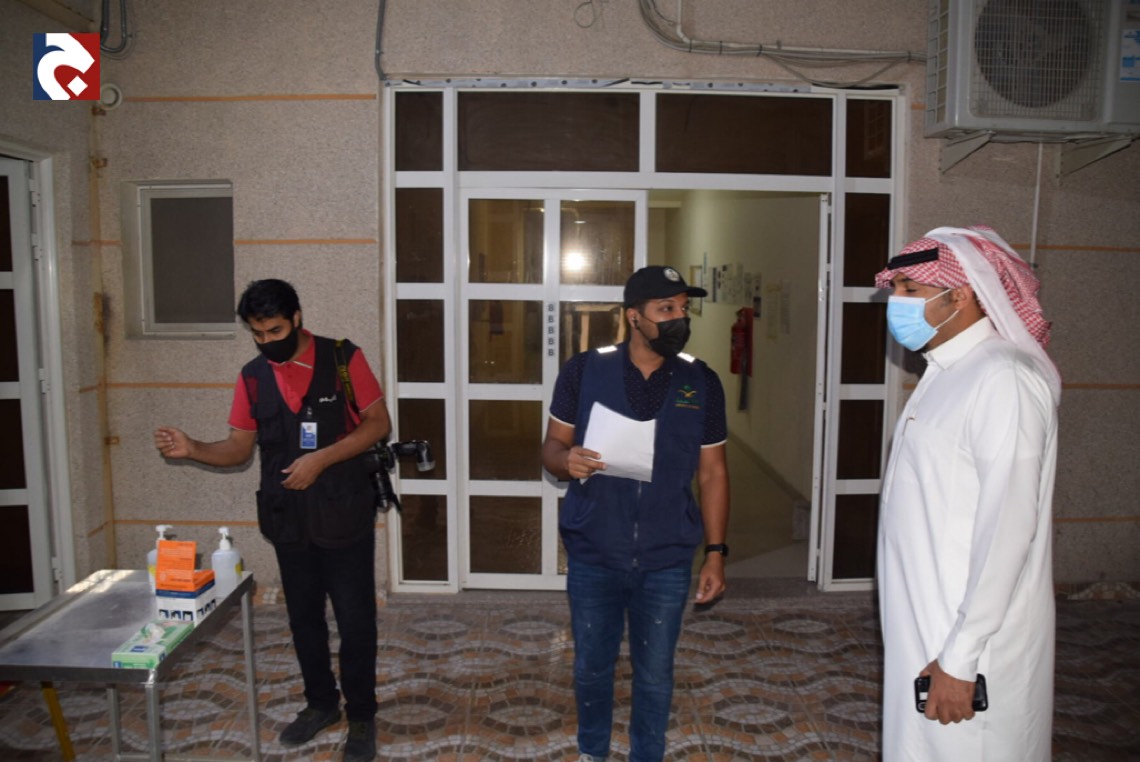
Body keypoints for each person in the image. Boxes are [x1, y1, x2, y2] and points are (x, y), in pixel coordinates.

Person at [154, 279, 390, 762]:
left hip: (343, 511)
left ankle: (362, 714)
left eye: (275, 331)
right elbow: (238, 448)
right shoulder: (253, 377)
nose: (267, 342)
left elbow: (378, 423)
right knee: (303, 618)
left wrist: (321, 459)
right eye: (258, 334)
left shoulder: (343, 358)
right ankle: (321, 704)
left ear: (297, 318)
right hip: (288, 519)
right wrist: (193, 448)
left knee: (355, 619)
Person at [874, 226, 1062, 761]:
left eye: (911, 289)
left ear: (960, 295)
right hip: (925, 619)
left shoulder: (1003, 379)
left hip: (968, 641)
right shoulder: (947, 369)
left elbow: (1008, 530)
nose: (897, 301)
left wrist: (961, 658)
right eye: (896, 289)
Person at [541, 265, 730, 762]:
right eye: (665, 309)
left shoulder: (701, 380)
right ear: (633, 317)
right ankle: (592, 752)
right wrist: (565, 460)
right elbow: (552, 447)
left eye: (683, 309)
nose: (679, 319)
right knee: (591, 667)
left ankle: (648, 754)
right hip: (595, 550)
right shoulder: (585, 370)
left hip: (667, 557)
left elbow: (712, 473)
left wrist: (715, 552)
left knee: (655, 674)